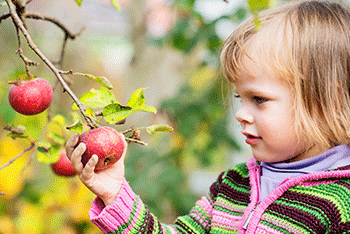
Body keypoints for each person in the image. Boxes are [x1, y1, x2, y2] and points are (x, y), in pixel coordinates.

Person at [66, 0, 350, 233]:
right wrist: (114, 194)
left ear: (330, 100)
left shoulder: (340, 204)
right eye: (240, 98)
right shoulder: (233, 185)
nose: (241, 114)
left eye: (259, 100)